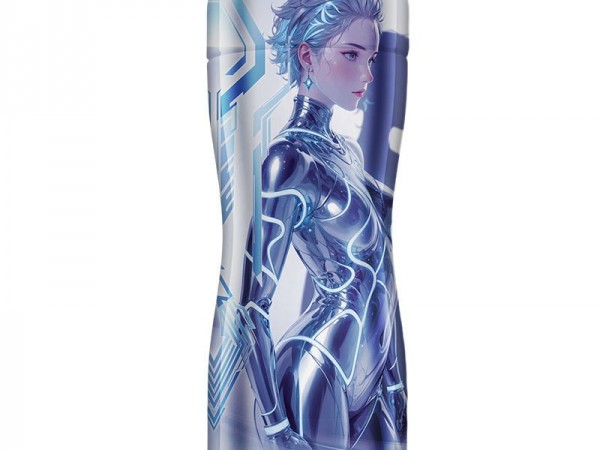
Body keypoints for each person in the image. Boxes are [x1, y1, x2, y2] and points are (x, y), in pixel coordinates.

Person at [240, 1, 407, 448]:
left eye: (372, 58)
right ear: (307, 56)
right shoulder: (287, 162)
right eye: (351, 54)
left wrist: (394, 380)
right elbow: (251, 307)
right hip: (317, 367)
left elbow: (382, 275)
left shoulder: (348, 155)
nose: (367, 74)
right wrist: (276, 427)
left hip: (373, 378)